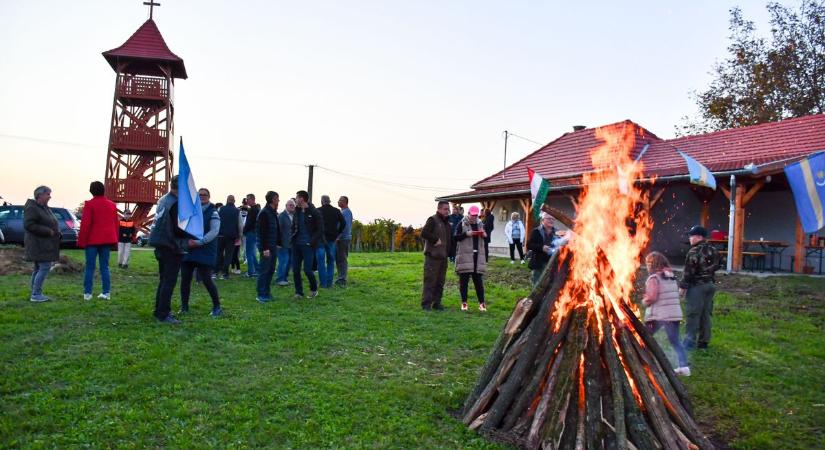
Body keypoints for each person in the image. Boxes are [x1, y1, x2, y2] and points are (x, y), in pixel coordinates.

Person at [149, 175, 190, 324]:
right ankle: (163, 313)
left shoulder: (163, 200)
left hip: (160, 243)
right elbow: (178, 228)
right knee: (169, 280)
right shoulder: (175, 203)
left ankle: (158, 309)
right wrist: (191, 235)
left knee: (163, 279)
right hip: (170, 245)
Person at [643, 251, 690, 376]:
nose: (647, 266)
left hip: (660, 315)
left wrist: (645, 300)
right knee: (675, 341)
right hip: (673, 314)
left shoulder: (654, 278)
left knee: (643, 336)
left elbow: (652, 297)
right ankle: (684, 367)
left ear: (653, 264)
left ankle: (643, 361)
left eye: (648, 263)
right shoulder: (670, 276)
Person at [179, 188, 223, 317]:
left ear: (209, 196)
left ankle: (217, 306)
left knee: (206, 279)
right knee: (185, 280)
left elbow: (214, 231)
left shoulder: (213, 212)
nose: (202, 197)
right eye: (200, 195)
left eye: (205, 195)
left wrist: (200, 242)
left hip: (205, 250)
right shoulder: (191, 211)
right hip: (189, 249)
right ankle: (184, 307)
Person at [679, 226, 721, 350]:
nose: (690, 238)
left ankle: (689, 342)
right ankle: (703, 342)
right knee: (705, 314)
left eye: (691, 236)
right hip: (710, 285)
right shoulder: (714, 250)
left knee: (693, 314)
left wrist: (682, 288)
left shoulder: (694, 252)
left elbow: (688, 272)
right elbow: (720, 263)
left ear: (699, 237)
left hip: (697, 287)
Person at [77, 181, 119, 300]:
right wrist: (115, 239)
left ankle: (88, 293)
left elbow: (86, 224)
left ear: (91, 191)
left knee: (90, 266)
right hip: (106, 240)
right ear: (103, 190)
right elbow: (115, 224)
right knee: (104, 267)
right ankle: (106, 292)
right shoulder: (112, 205)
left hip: (92, 240)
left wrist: (81, 241)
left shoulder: (90, 205)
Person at [23, 186, 61, 302]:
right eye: (48, 194)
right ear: (40, 195)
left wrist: (56, 232)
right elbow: (29, 225)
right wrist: (48, 231)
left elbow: (50, 222)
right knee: (44, 267)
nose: (50, 196)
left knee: (38, 268)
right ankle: (35, 294)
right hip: (38, 243)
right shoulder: (32, 208)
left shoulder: (44, 207)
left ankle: (35, 292)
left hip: (45, 243)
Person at [291, 190, 324, 299]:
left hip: (308, 246)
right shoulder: (297, 211)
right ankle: (298, 292)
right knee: (295, 269)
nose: (295, 200)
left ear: (302, 198)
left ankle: (314, 289)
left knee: (307, 270)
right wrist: (292, 238)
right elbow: (293, 226)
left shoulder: (314, 212)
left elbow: (320, 229)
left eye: (296, 198)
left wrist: (311, 241)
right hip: (296, 245)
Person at [454, 206, 488, 312]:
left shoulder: (481, 224)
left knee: (478, 282)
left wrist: (485, 235)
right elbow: (455, 237)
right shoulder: (462, 223)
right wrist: (466, 234)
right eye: (472, 215)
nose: (474, 217)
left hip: (478, 257)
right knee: (464, 282)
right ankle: (464, 303)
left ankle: (482, 304)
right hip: (465, 256)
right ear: (468, 213)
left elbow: (487, 240)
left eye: (476, 215)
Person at [420, 201, 452, 311]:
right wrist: (435, 239)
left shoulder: (447, 223)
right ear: (439, 209)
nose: (447, 211)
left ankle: (437, 303)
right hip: (432, 257)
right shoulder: (432, 220)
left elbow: (449, 240)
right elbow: (424, 233)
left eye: (448, 209)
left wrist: (450, 253)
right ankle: (426, 304)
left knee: (440, 282)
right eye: (445, 209)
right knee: (430, 281)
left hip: (443, 257)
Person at [527, 213, 569, 286]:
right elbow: (529, 245)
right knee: (537, 284)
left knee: (550, 284)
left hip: (553, 262)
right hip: (539, 262)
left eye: (553, 219)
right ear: (543, 220)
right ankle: (535, 297)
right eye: (549, 219)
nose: (551, 221)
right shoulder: (536, 231)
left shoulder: (557, 232)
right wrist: (541, 247)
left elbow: (561, 245)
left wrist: (565, 241)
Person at [256, 191, 282, 302]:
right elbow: (262, 232)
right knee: (264, 270)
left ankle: (267, 292)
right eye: (277, 199)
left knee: (271, 270)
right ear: (273, 200)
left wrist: (278, 243)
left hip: (273, 246)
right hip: (267, 247)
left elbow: (276, 229)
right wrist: (265, 248)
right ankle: (261, 294)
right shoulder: (264, 213)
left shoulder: (273, 212)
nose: (279, 201)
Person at [317, 195, 345, 288]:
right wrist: (338, 233)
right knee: (330, 261)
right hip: (332, 239)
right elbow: (343, 223)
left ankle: (323, 283)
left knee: (321, 262)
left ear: (322, 201)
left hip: (320, 239)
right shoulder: (336, 211)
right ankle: (329, 283)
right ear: (330, 201)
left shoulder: (318, 211)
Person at [217, 195, 240, 279]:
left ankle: (216, 271)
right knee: (228, 255)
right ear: (234, 201)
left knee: (219, 254)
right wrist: (239, 236)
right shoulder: (237, 211)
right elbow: (240, 225)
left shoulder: (221, 209)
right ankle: (225, 273)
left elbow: (217, 221)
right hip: (231, 236)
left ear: (227, 200)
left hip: (220, 234)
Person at [276, 198, 295, 286]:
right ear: (286, 206)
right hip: (282, 244)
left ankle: (285, 278)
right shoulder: (282, 216)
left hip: (292, 244)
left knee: (289, 262)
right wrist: (278, 242)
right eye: (290, 205)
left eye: (293, 205)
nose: (292, 207)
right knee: (283, 261)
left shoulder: (294, 216)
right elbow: (278, 230)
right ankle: (279, 279)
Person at [335, 195, 353, 286]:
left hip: (343, 238)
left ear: (345, 202)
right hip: (342, 238)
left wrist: (339, 236)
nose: (338, 201)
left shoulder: (346, 212)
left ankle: (342, 278)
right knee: (339, 258)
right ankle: (340, 277)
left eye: (340, 200)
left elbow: (345, 226)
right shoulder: (343, 212)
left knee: (342, 258)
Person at [243, 193, 260, 277]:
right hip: (255, 232)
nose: (247, 201)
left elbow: (249, 222)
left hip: (251, 232)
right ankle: (257, 268)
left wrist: (244, 231)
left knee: (249, 253)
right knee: (252, 252)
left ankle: (251, 271)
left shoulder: (253, 210)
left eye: (248, 199)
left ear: (253, 199)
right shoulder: (256, 209)